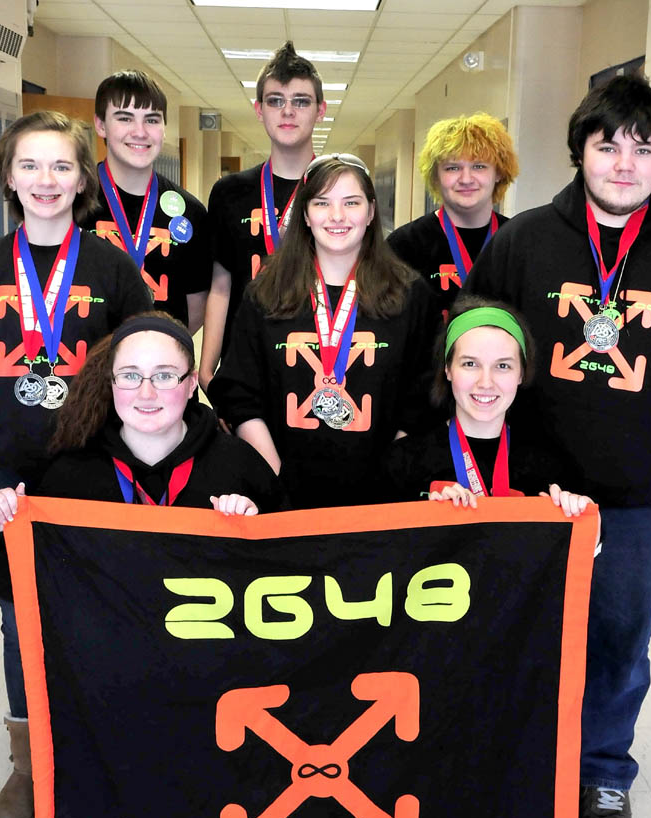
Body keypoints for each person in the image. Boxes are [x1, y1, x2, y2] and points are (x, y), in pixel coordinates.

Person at [464, 74, 651, 818]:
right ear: (580, 151)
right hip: (531, 491)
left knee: (617, 641)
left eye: (642, 148)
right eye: (607, 145)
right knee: (517, 630)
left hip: (636, 498)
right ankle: (517, 760)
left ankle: (604, 774)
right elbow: (476, 336)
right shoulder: (524, 240)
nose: (623, 163)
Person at [0, 110, 151, 818]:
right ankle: (30, 767)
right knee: (19, 622)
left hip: (93, 476)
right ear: (8, 177)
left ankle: (108, 751)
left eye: (62, 166)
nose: (47, 180)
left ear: (84, 179)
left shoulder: (114, 270)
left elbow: (142, 380)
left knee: (104, 617)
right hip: (1, 480)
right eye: (31, 165)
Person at [207, 153, 441, 509]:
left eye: (351, 202)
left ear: (372, 212)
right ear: (305, 213)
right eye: (322, 203)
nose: (337, 216)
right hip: (281, 496)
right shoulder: (266, 293)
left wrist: (390, 475)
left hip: (382, 498)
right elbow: (241, 393)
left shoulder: (410, 294)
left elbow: (424, 394)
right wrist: (276, 477)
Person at [0, 312, 285, 526]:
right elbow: (22, 580)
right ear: (110, 382)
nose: (146, 393)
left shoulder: (239, 467)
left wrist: (253, 527)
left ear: (191, 384)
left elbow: (289, 562)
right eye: (130, 376)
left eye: (164, 376)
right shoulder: (72, 477)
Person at [384, 295, 590, 517]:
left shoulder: (549, 469)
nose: (485, 382)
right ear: (448, 369)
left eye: (502, 365)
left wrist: (585, 523)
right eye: (470, 364)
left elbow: (573, 547)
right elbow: (374, 545)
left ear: (521, 373)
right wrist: (422, 515)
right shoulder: (403, 461)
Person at [199, 41, 327, 391]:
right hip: (244, 361)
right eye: (275, 101)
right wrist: (206, 370)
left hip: (316, 359)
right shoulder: (230, 193)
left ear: (320, 110)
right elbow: (221, 285)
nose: (288, 112)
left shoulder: (337, 192)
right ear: (259, 109)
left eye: (301, 101)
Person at [87, 70, 212, 331]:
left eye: (152, 120)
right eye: (125, 118)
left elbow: (196, 308)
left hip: (160, 366)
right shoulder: (72, 203)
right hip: (84, 365)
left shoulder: (190, 212)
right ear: (100, 125)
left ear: (164, 129)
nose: (140, 132)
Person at [388, 113, 518, 320]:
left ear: (499, 172)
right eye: (453, 168)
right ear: (436, 176)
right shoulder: (404, 245)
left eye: (479, 166)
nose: (466, 179)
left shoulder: (517, 241)